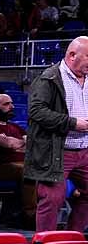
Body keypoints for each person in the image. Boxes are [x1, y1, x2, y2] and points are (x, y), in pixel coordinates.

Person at [26, 36, 88, 232]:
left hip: (85, 151)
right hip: (57, 150)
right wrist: (72, 123)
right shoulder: (49, 78)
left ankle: (72, 239)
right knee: (52, 198)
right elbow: (36, 111)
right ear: (72, 55)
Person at [0, 93, 35, 222]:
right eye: (6, 104)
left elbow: (32, 145)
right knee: (28, 170)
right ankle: (30, 215)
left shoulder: (15, 127)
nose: (12, 106)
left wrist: (17, 143)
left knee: (42, 169)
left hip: (21, 164)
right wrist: (20, 143)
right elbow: (8, 143)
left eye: (11, 103)